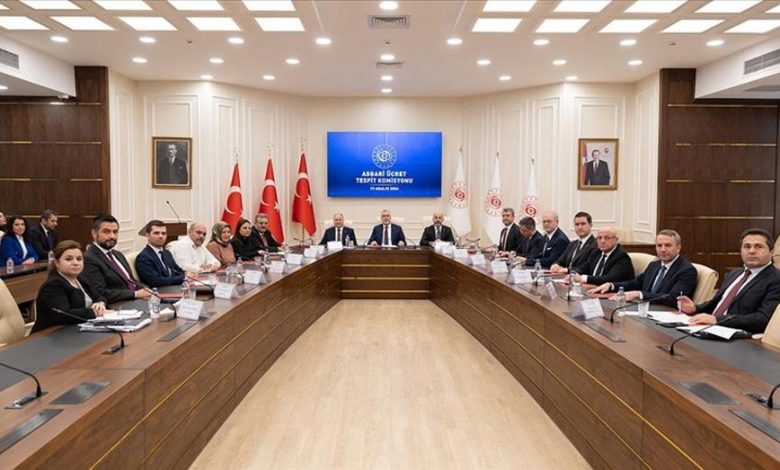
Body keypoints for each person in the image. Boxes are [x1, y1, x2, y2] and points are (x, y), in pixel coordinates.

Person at [677, 228, 780, 333]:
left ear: (771, 252)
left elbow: (764, 318)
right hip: (709, 328)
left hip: (737, 334)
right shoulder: (735, 273)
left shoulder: (776, 279)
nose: (752, 251)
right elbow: (717, 302)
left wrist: (717, 320)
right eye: (747, 246)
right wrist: (695, 308)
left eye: (759, 247)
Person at [589, 229, 697, 307]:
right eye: (659, 246)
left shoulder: (686, 270)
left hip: (664, 314)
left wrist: (639, 294)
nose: (663, 250)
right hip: (644, 309)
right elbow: (635, 283)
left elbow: (674, 298)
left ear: (678, 248)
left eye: (668, 245)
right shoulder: (654, 265)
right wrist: (611, 285)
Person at [32, 240, 107, 333]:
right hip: (50, 334)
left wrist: (100, 304)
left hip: (77, 329)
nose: (75, 263)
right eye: (68, 259)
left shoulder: (80, 279)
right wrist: (94, 312)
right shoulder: (53, 285)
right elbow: (63, 314)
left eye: (79, 259)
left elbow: (99, 296)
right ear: (57, 263)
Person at [81, 214, 150, 304]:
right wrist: (135, 294)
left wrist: (147, 289)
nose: (112, 236)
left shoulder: (118, 254)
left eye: (115, 232)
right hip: (117, 305)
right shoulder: (89, 258)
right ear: (94, 233)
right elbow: (100, 293)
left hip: (136, 301)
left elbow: (131, 280)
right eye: (106, 232)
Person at [135, 220, 195, 288]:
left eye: (163, 233)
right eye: (156, 233)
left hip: (173, 288)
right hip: (159, 292)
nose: (161, 236)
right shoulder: (143, 257)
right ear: (148, 236)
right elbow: (155, 281)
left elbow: (177, 270)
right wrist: (183, 278)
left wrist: (188, 274)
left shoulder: (167, 253)